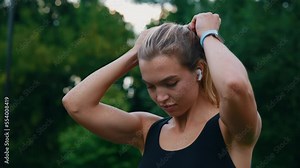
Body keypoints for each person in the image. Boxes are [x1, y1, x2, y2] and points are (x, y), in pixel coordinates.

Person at [62, 12, 261, 168]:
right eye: (151, 86)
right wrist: (135, 53)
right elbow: (76, 104)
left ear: (199, 70)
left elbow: (235, 85)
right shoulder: (147, 131)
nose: (161, 97)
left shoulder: (230, 128)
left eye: (171, 83)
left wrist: (208, 35)